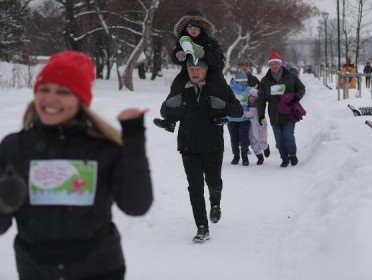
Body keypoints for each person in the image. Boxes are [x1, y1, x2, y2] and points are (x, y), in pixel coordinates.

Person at [0, 51, 153, 280]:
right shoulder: (13, 147)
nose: (50, 100)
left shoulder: (103, 149)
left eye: (63, 91)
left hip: (100, 269)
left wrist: (134, 140)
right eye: (44, 89)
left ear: (81, 99)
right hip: (36, 270)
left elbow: (136, 206)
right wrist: (3, 203)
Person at [160, 57, 242, 243]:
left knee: (213, 183)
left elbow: (238, 111)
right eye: (191, 69)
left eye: (198, 69)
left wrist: (223, 105)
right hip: (188, 146)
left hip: (213, 145)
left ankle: (215, 203)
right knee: (195, 188)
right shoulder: (181, 88)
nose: (195, 72)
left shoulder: (217, 88)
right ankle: (202, 228)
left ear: (205, 71)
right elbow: (165, 112)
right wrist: (168, 106)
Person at [154, 10, 225, 132]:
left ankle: (219, 115)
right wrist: (178, 55)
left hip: (210, 71)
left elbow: (220, 60)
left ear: (202, 28)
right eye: (190, 27)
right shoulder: (183, 41)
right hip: (189, 71)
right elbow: (174, 56)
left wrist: (205, 55)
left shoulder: (210, 42)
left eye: (196, 27)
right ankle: (171, 119)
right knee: (177, 87)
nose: (193, 29)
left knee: (216, 86)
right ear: (185, 29)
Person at [258, 52, 305, 167]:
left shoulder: (290, 76)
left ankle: (292, 155)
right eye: (272, 64)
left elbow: (301, 88)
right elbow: (261, 99)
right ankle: (284, 158)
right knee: (279, 140)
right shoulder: (265, 81)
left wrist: (297, 96)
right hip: (274, 114)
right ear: (269, 66)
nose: (274, 66)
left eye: (276, 64)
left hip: (289, 112)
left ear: (280, 64)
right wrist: (261, 114)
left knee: (288, 135)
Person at [227, 71, 252, 166]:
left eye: (244, 82)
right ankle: (236, 155)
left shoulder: (249, 90)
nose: (243, 84)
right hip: (232, 119)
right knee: (234, 139)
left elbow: (254, 101)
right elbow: (226, 103)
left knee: (244, 138)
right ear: (236, 82)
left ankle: (244, 155)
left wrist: (251, 112)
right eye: (241, 82)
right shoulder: (230, 90)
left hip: (244, 119)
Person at [243, 87, 269, 165]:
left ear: (256, 97)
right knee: (253, 144)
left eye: (253, 96)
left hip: (260, 127)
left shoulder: (258, 106)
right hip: (251, 127)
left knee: (262, 142)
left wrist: (241, 112)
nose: (251, 98)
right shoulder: (247, 105)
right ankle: (260, 157)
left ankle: (266, 147)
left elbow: (250, 114)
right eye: (250, 96)